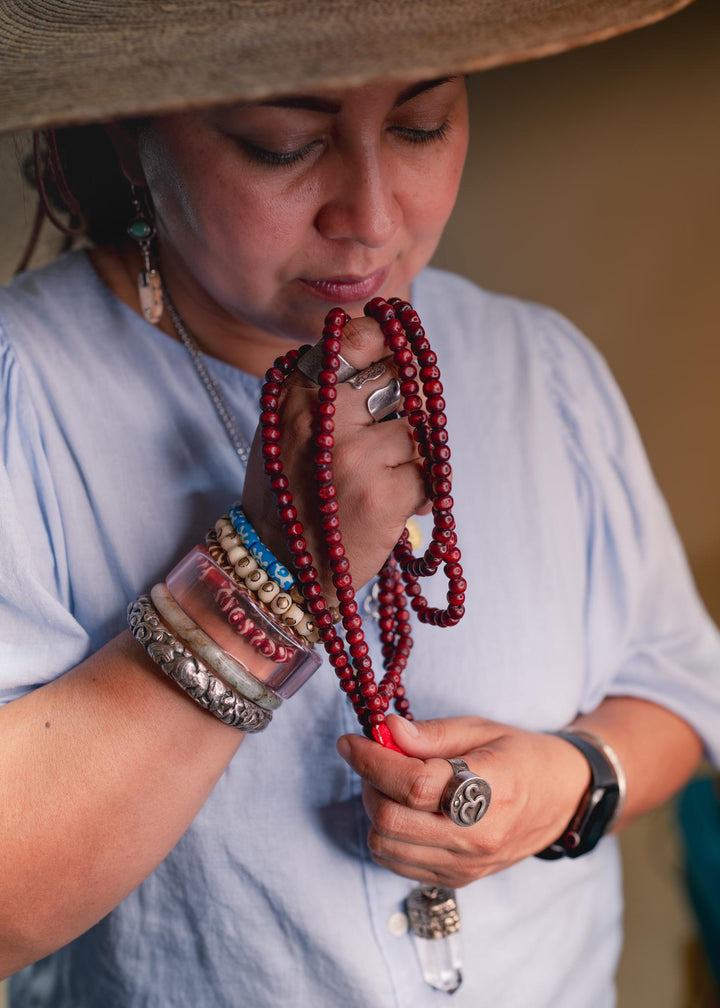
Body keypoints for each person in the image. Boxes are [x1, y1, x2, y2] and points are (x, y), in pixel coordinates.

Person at [0, 1, 718, 1005]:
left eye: (421, 125)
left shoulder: (537, 365)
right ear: (131, 132)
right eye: (283, 145)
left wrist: (570, 786)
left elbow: (680, 684)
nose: (372, 218)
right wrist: (269, 568)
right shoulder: (24, 389)